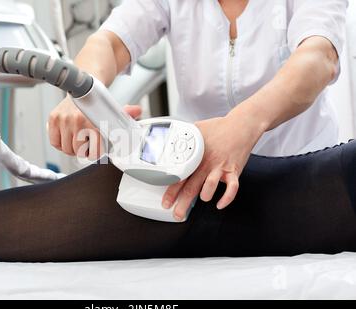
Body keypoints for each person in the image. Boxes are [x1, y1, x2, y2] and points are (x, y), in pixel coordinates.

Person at [47, 0, 348, 222]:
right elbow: (110, 43)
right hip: (198, 183)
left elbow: (319, 57)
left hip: (298, 172)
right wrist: (85, 92)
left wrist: (241, 125)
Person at [0, 139, 356, 262]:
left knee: (8, 211)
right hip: (189, 187)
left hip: (204, 194)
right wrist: (83, 88)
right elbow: (316, 61)